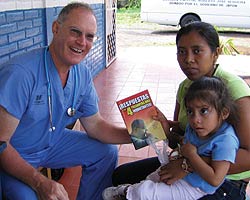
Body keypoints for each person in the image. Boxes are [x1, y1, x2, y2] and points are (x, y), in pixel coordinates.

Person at [0, 2, 131, 200]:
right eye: (75, 32)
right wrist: (39, 181)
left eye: (89, 36)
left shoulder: (82, 74)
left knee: (106, 152)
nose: (82, 42)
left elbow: (95, 126)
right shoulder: (21, 73)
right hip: (16, 156)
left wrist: (139, 135)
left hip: (51, 144)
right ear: (56, 28)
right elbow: (1, 143)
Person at [112, 21, 250, 200]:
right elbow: (180, 140)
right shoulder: (186, 87)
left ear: (216, 53)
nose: (188, 59)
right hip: (186, 163)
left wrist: (186, 165)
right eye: (181, 51)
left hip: (224, 181)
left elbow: (248, 154)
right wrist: (165, 126)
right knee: (121, 175)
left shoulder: (233, 89)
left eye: (197, 51)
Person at [103, 76, 240, 199]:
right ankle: (133, 191)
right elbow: (183, 144)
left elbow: (215, 179)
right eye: (190, 111)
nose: (195, 119)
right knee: (151, 179)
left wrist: (191, 156)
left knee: (144, 192)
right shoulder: (197, 127)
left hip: (195, 187)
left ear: (224, 112)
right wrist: (165, 131)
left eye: (203, 111)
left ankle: (126, 193)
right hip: (179, 169)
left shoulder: (226, 140)